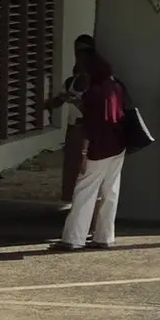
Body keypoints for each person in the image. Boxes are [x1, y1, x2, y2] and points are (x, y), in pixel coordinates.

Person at [52, 54, 129, 251]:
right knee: (110, 191)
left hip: (99, 146)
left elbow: (90, 123)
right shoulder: (116, 87)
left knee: (85, 190)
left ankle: (74, 238)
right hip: (118, 144)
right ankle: (104, 236)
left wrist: (84, 152)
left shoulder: (93, 92)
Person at [46, 33, 96, 207]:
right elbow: (56, 102)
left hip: (87, 128)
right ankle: (69, 199)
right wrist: (49, 103)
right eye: (77, 52)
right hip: (73, 128)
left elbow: (93, 109)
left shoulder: (96, 83)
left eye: (84, 52)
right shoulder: (71, 81)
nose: (79, 56)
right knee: (71, 166)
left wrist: (75, 101)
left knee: (85, 168)